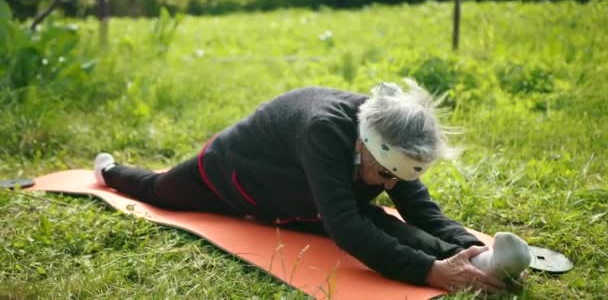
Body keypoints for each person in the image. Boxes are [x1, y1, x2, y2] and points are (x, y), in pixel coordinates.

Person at [94, 79, 529, 293]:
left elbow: (420, 211)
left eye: (396, 177)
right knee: (160, 191)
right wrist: (431, 273)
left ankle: (486, 261)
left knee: (383, 222)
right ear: (364, 147)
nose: (390, 185)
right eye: (385, 175)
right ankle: (110, 171)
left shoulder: (386, 141)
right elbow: (344, 226)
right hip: (231, 175)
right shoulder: (325, 130)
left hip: (299, 194)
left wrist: (465, 246)